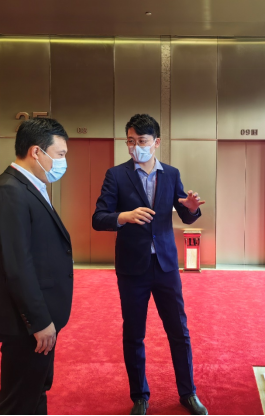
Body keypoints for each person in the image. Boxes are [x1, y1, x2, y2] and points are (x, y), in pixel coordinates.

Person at [93, 114, 208, 416]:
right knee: (134, 333)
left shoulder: (171, 174)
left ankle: (188, 393)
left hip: (166, 265)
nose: (135, 147)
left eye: (141, 141)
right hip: (132, 268)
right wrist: (124, 216)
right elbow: (99, 217)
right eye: (130, 141)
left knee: (179, 331)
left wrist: (192, 209)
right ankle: (140, 396)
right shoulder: (116, 175)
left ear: (156, 142)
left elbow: (185, 213)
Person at [0, 118, 73, 415]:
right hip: (26, 325)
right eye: (60, 154)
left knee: (35, 391)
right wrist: (39, 321)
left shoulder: (31, 186)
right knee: (18, 401)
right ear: (36, 152)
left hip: (37, 319)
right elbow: (17, 265)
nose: (63, 162)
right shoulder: (10, 192)